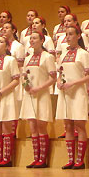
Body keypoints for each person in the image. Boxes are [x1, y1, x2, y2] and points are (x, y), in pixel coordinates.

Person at [56, 26, 89, 169]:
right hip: (65, 93)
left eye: (71, 34)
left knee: (79, 125)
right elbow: (60, 73)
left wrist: (73, 83)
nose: (68, 37)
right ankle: (70, 159)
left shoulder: (83, 54)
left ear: (78, 36)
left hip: (78, 93)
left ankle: (80, 160)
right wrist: (59, 82)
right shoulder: (63, 54)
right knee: (68, 125)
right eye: (67, 34)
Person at [21, 31, 57, 168]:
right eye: (30, 38)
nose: (31, 40)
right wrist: (26, 85)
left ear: (42, 40)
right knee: (32, 126)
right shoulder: (28, 58)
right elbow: (24, 75)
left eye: (34, 38)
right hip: (30, 95)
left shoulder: (47, 57)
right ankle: (35, 157)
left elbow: (53, 78)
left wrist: (40, 87)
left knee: (41, 126)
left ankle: (43, 159)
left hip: (41, 95)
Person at [0, 36, 21, 167]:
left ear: (7, 46)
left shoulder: (10, 60)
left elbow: (16, 80)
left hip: (6, 96)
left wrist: (1, 92)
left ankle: (7, 158)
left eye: (1, 42)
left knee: (6, 127)